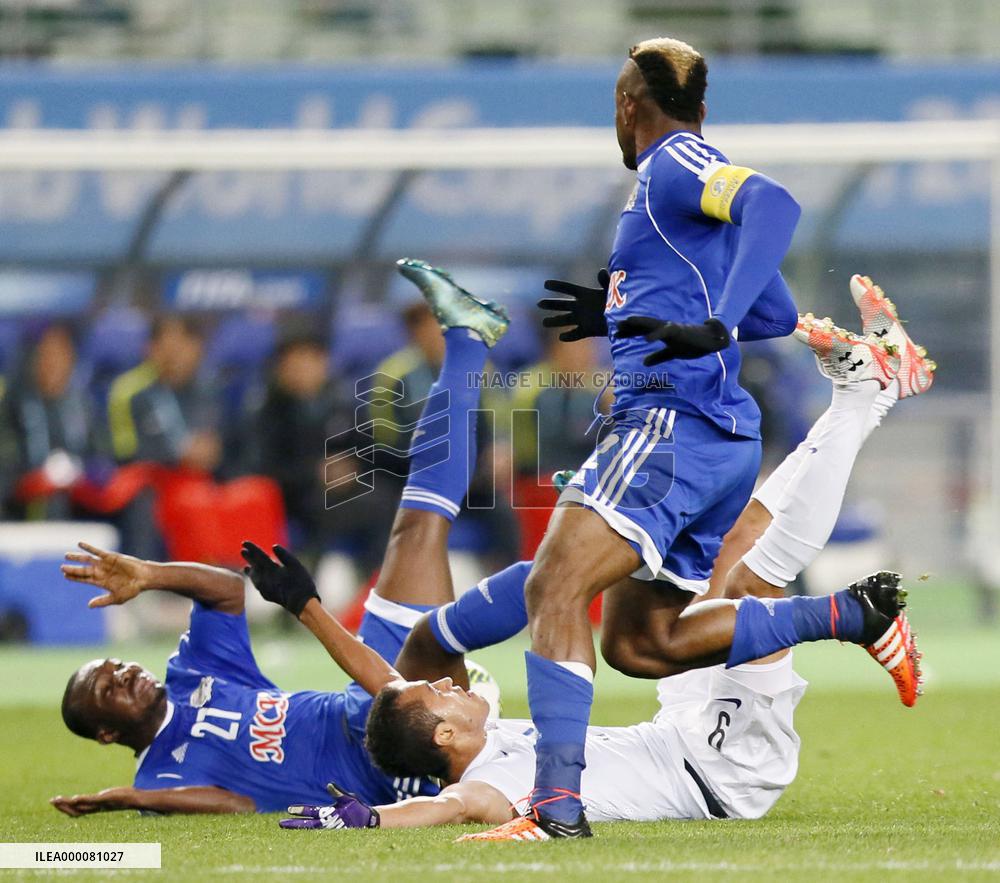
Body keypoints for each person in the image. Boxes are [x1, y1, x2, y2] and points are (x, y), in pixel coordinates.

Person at [269, 280, 928, 837]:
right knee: (754, 581)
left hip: (676, 729)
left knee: (737, 544)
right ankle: (861, 420)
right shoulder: (486, 783)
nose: (449, 683)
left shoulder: (475, 727)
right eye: (438, 694)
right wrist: (369, 819)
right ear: (444, 736)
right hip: (721, 769)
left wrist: (308, 608)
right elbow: (448, 807)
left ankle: (868, 393)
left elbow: (386, 681)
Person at [49, 259, 510, 817]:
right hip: (389, 769)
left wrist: (149, 574)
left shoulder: (192, 671)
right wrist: (135, 797)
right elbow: (234, 804)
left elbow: (225, 590)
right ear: (107, 733)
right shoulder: (161, 775)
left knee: (418, 527)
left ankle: (466, 340)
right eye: (109, 689)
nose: (125, 674)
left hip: (365, 695)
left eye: (115, 666)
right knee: (465, 615)